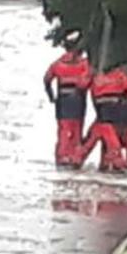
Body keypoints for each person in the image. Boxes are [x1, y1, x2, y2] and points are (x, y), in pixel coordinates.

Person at [42, 31, 92, 167]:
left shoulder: (57, 64)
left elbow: (46, 79)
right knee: (77, 129)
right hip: (78, 99)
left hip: (62, 99)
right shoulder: (84, 64)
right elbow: (88, 81)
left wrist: (51, 96)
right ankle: (74, 157)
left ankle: (62, 156)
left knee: (63, 129)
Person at [86, 63, 127, 171]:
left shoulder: (97, 78)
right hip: (115, 110)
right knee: (112, 139)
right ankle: (116, 162)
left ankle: (104, 163)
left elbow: (88, 90)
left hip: (102, 110)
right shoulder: (120, 76)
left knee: (97, 138)